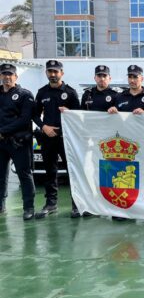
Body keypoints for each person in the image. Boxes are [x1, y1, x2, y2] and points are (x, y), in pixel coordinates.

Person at [33, 60, 80, 218]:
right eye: (50, 71)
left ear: (62, 73)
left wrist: (70, 112)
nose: (53, 74)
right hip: (47, 137)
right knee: (50, 172)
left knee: (71, 171)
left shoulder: (71, 92)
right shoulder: (42, 92)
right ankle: (51, 204)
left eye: (56, 72)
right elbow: (34, 113)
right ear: (46, 73)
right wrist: (43, 126)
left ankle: (76, 204)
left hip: (66, 138)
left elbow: (80, 116)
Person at [0, 63, 36, 220]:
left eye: (10, 74)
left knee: (24, 175)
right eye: (4, 74)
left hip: (18, 141)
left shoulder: (24, 94)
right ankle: (1, 206)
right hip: (0, 143)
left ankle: (29, 208)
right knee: (0, 175)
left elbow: (24, 119)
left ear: (16, 76)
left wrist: (3, 131)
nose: (7, 77)